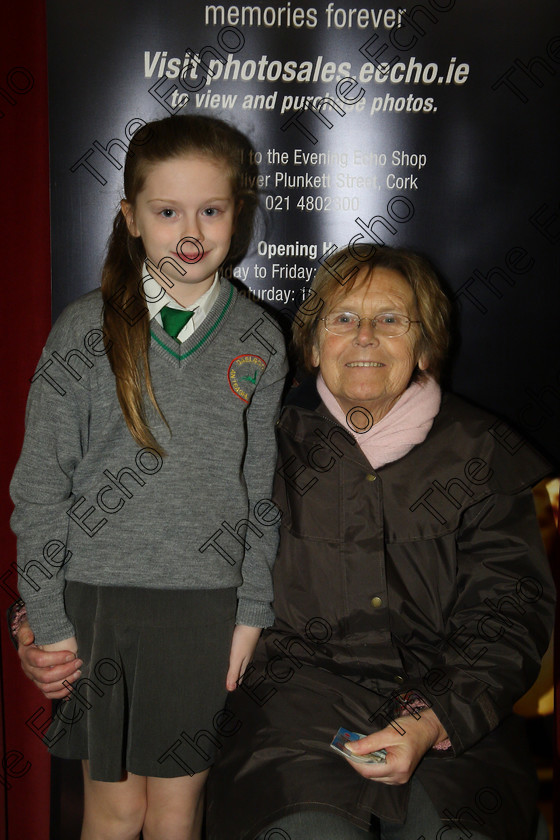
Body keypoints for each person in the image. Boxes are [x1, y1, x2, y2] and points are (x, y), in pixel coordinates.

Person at [204, 246, 555, 840]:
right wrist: (47, 614)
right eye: (342, 319)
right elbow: (164, 550)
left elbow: (508, 614)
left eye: (391, 319)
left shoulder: (481, 452)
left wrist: (430, 718)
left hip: (456, 723)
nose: (365, 335)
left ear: (425, 345)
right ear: (313, 346)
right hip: (291, 720)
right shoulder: (259, 446)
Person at [10, 114, 287, 840]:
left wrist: (252, 611)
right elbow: (39, 487)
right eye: (167, 211)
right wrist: (47, 617)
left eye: (211, 209)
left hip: (205, 611)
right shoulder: (82, 330)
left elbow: (260, 493)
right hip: (96, 606)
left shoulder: (260, 337)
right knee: (114, 810)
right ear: (132, 218)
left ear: (237, 215)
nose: (189, 231)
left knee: (174, 813)